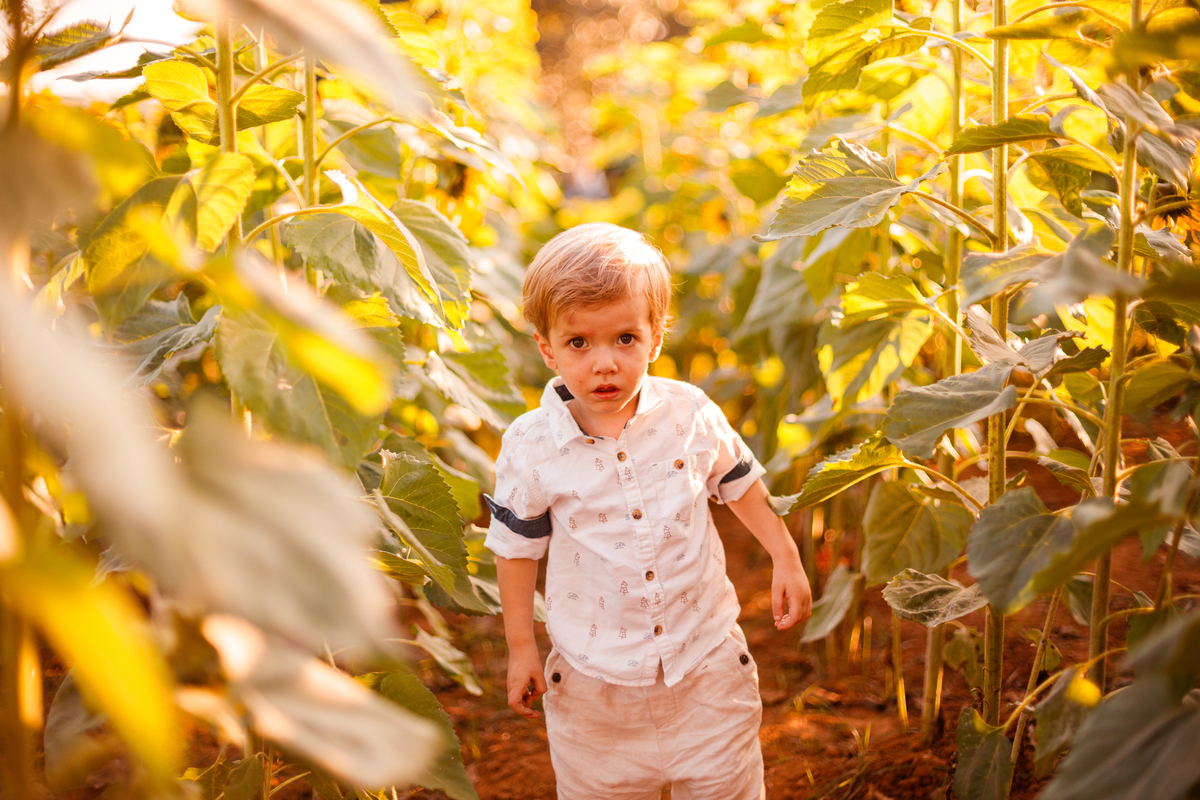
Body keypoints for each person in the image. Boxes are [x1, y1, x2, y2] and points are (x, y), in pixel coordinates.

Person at [484, 222, 812, 800]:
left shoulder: (689, 413)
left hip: (704, 665)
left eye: (625, 339)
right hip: (595, 688)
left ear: (656, 336)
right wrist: (520, 647)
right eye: (579, 343)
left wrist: (784, 556)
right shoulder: (532, 444)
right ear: (546, 345)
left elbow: (739, 483)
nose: (604, 363)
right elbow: (516, 550)